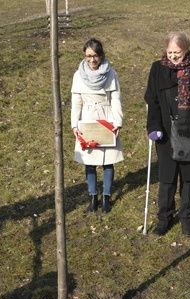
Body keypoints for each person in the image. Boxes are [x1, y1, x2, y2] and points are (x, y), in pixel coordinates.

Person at [144, 31, 190, 237]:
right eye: (170, 52)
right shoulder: (158, 69)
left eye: (178, 52)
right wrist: (153, 127)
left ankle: (187, 219)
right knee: (167, 178)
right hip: (165, 132)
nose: (173, 56)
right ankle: (164, 219)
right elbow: (152, 100)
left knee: (189, 177)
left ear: (186, 49)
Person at [71, 38, 123, 213]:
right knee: (90, 161)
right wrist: (74, 125)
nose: (92, 60)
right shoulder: (78, 76)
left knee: (108, 161)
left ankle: (106, 197)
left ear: (101, 55)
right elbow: (76, 102)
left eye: (95, 56)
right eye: (88, 56)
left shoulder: (111, 74)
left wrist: (117, 122)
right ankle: (93, 197)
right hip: (87, 120)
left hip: (106, 119)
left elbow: (115, 100)